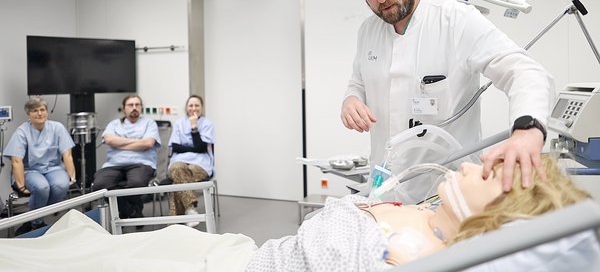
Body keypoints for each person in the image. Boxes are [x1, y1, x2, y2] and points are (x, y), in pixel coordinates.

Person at [0, 155, 597, 272]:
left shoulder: (415, 255)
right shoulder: (425, 217)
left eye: (487, 174)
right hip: (237, 250)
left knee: (87, 255)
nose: (470, 166)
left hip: (239, 266)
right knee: (101, 240)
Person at [340, 0, 554, 200]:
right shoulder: (368, 31)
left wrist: (527, 129)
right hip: (385, 186)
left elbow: (524, 71)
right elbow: (358, 82)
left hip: (446, 189)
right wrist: (351, 100)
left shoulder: (457, 19)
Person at [2, 98, 76, 233]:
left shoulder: (57, 128)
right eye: (35, 110)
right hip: (31, 171)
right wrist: (21, 186)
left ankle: (34, 217)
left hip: (53, 168)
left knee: (61, 185)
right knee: (42, 187)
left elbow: (67, 154)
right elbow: (16, 160)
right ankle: (36, 222)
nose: (39, 113)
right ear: (29, 114)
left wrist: (71, 176)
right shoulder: (22, 132)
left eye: (42, 110)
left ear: (47, 112)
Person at [91, 94, 161, 219]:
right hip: (114, 164)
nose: (134, 107)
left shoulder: (149, 123)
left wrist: (120, 144)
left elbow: (148, 143)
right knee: (99, 185)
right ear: (124, 109)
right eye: (130, 105)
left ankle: (125, 212)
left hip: (141, 163)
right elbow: (108, 139)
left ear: (141, 108)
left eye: (137, 105)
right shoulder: (114, 124)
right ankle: (132, 211)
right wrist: (137, 142)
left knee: (137, 183)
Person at [167, 94, 215, 227]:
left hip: (200, 163)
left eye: (197, 105)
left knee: (180, 176)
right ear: (186, 107)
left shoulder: (208, 124)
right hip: (179, 161)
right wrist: (195, 148)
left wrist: (194, 127)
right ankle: (190, 209)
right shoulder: (179, 123)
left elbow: (200, 148)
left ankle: (174, 218)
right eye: (191, 105)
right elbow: (175, 146)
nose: (193, 108)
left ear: (202, 107)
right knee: (178, 168)